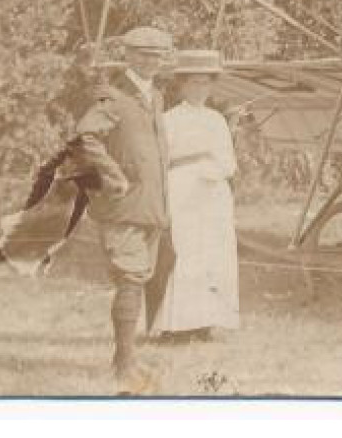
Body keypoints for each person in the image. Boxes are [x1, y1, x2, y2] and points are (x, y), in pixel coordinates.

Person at [71, 25, 173, 395]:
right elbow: (86, 136)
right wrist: (111, 173)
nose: (151, 61)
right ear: (128, 55)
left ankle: (125, 358)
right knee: (130, 279)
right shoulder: (111, 96)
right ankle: (125, 363)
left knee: (139, 277)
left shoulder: (157, 97)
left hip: (151, 205)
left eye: (158, 55)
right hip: (124, 204)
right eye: (143, 53)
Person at [150, 50, 240, 340]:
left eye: (205, 83)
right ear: (181, 85)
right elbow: (161, 162)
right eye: (193, 83)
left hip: (213, 194)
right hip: (182, 190)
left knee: (211, 256)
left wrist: (215, 171)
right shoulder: (168, 119)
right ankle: (175, 326)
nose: (199, 89)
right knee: (183, 254)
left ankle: (204, 323)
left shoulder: (217, 120)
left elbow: (229, 161)